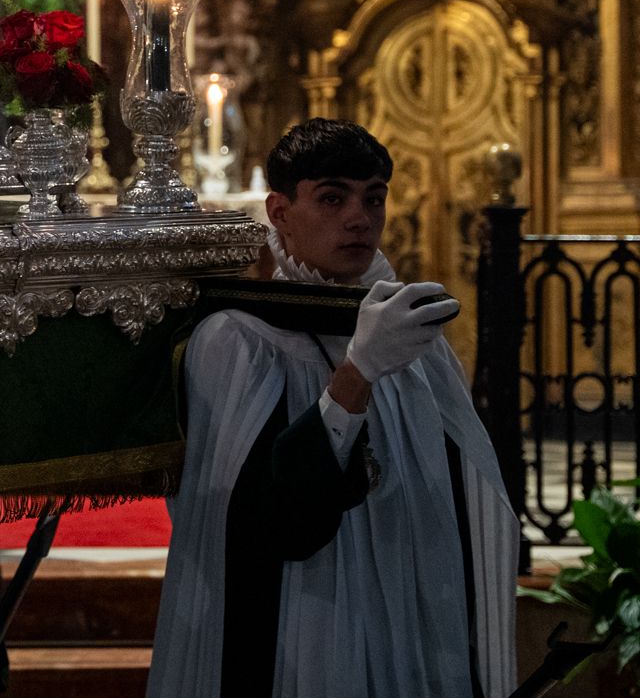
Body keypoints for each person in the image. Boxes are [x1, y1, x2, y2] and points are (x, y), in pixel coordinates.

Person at [147, 118, 516, 698]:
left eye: (374, 198)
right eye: (331, 197)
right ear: (279, 212)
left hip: (402, 609)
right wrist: (358, 374)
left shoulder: (413, 335)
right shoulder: (238, 340)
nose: (359, 218)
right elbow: (264, 523)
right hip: (298, 624)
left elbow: (454, 500)